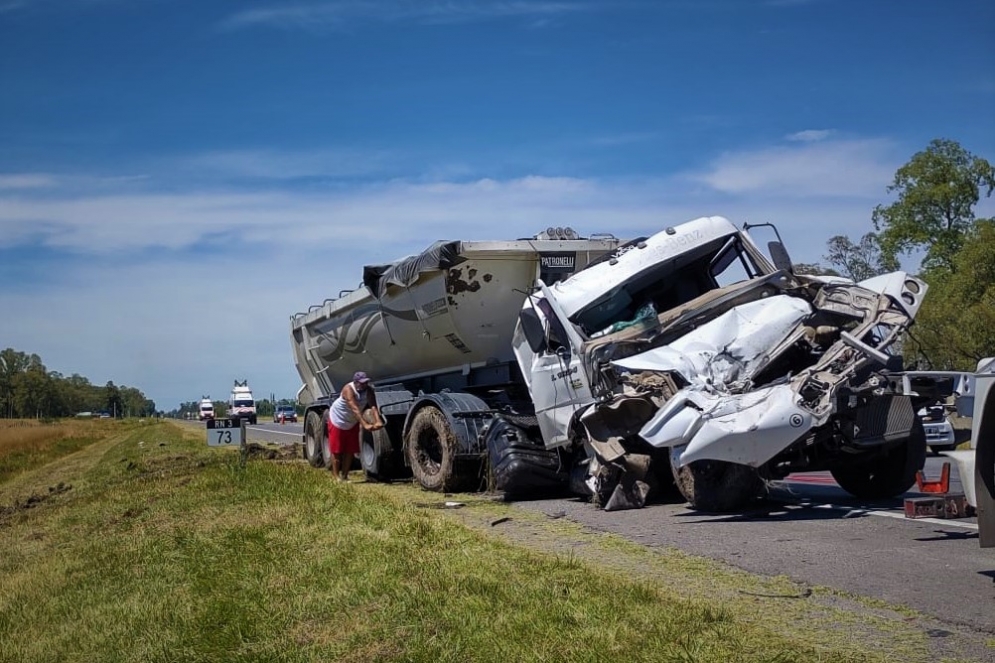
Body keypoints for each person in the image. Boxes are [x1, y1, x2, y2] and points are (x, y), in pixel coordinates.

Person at [326, 371, 383, 481]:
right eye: (362, 383)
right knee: (337, 451)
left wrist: (378, 420)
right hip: (338, 420)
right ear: (356, 382)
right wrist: (365, 425)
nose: (364, 385)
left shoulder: (369, 391)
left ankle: (345, 476)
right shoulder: (348, 389)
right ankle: (336, 476)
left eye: (366, 382)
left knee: (350, 450)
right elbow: (355, 409)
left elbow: (373, 407)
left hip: (351, 422)